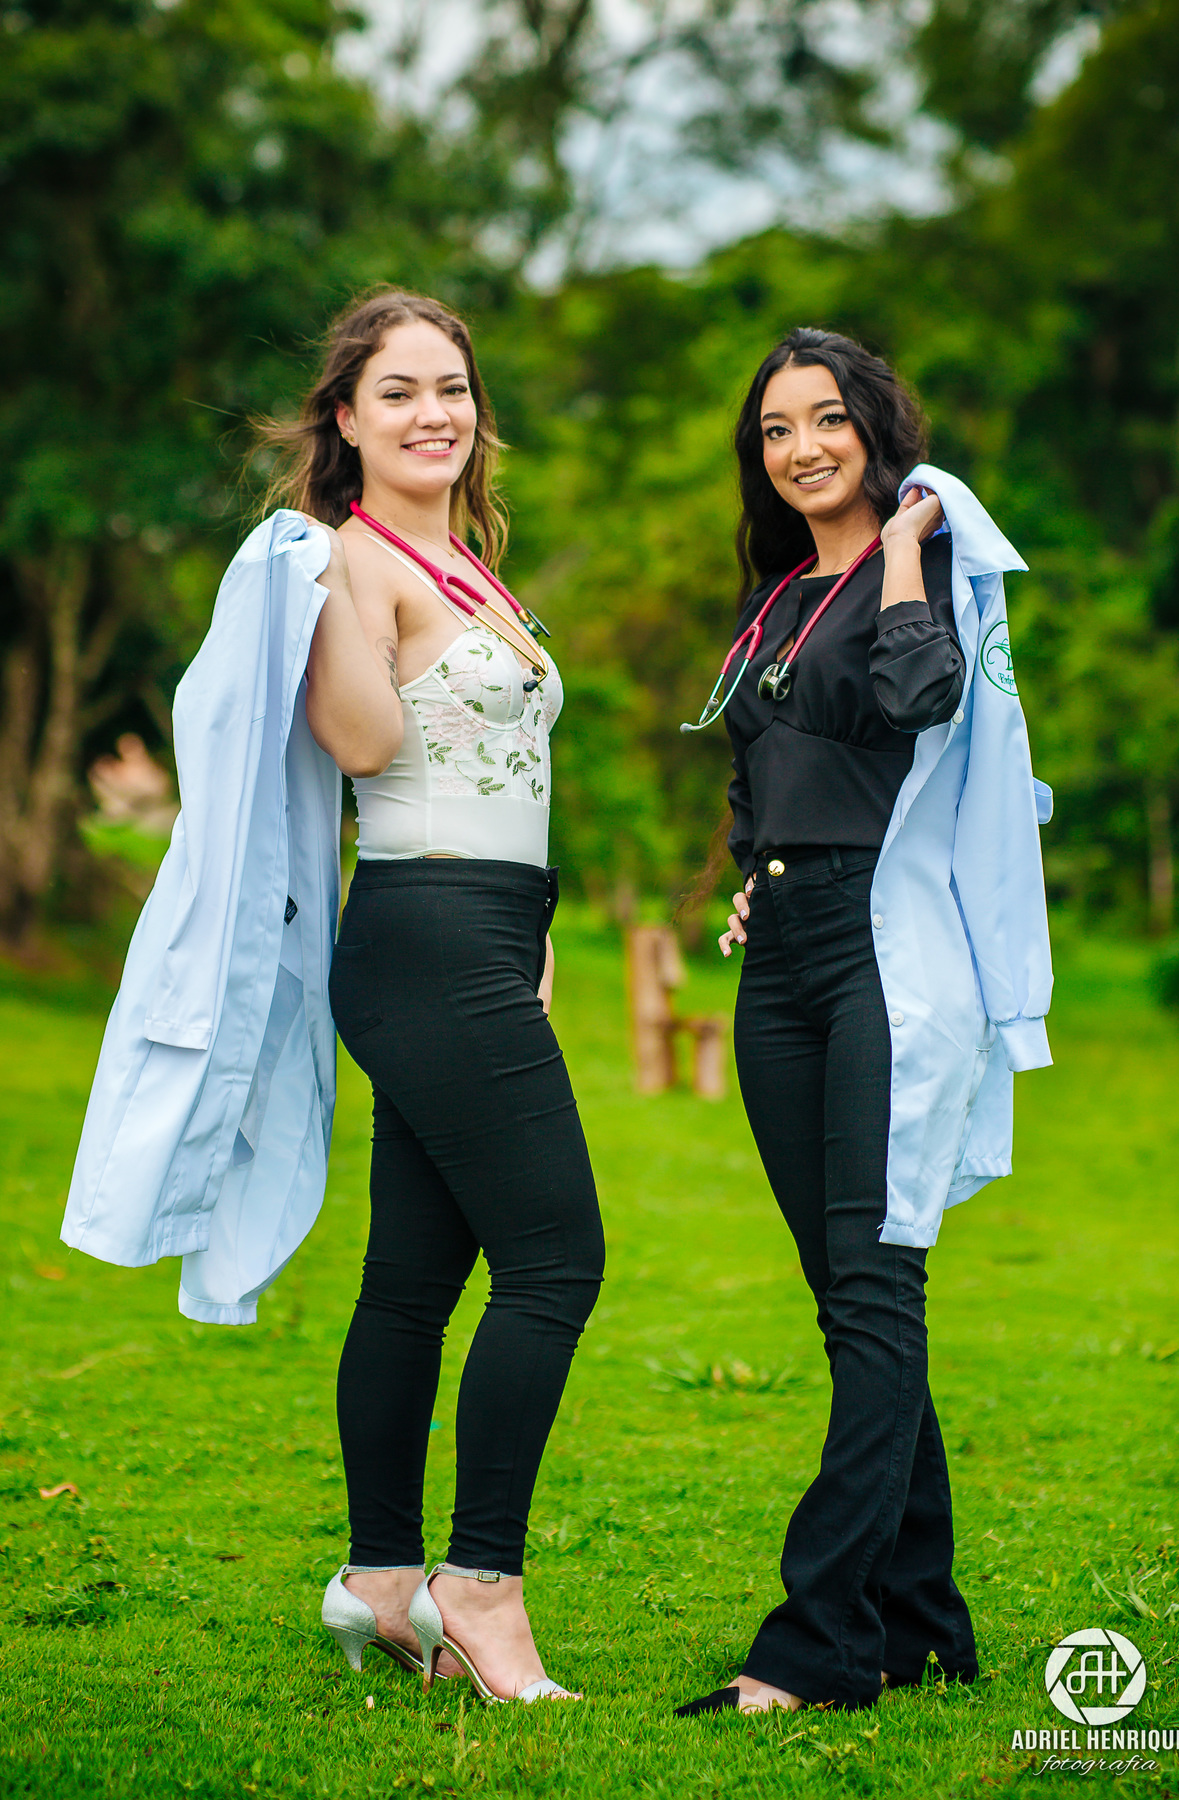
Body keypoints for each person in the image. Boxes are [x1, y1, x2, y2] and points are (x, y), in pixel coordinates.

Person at [675, 328, 1052, 1717]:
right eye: (776, 430)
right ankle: (924, 1623)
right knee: (851, 1297)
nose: (802, 449)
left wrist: (898, 548)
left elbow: (918, 696)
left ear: (874, 428)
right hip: (782, 963)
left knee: (880, 1286)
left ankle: (820, 1645)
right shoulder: (773, 596)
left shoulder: (930, 574)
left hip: (887, 955)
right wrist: (750, 874)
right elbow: (758, 763)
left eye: (826, 419)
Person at [257, 290, 605, 1704]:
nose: (432, 414)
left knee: (412, 1278)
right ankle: (480, 1586)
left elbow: (503, 777)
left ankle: (381, 1581)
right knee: (557, 1260)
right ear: (345, 418)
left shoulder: (469, 565)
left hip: (488, 931)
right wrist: (328, 576)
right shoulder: (348, 562)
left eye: (451, 387)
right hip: (425, 932)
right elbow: (363, 742)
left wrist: (535, 933)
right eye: (396, 392)